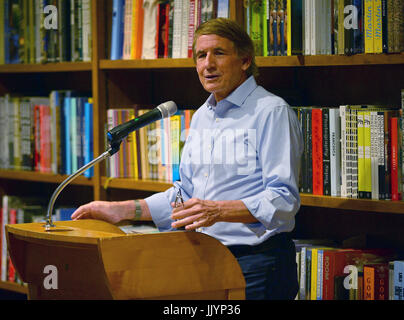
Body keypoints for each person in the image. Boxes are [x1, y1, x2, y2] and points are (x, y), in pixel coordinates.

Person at [72, 18, 303, 300]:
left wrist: (217, 211)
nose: (208, 64)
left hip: (257, 265)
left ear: (245, 60)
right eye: (200, 55)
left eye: (219, 52)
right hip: (203, 259)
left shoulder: (271, 112)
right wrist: (121, 210)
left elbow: (283, 200)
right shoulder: (203, 115)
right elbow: (187, 195)